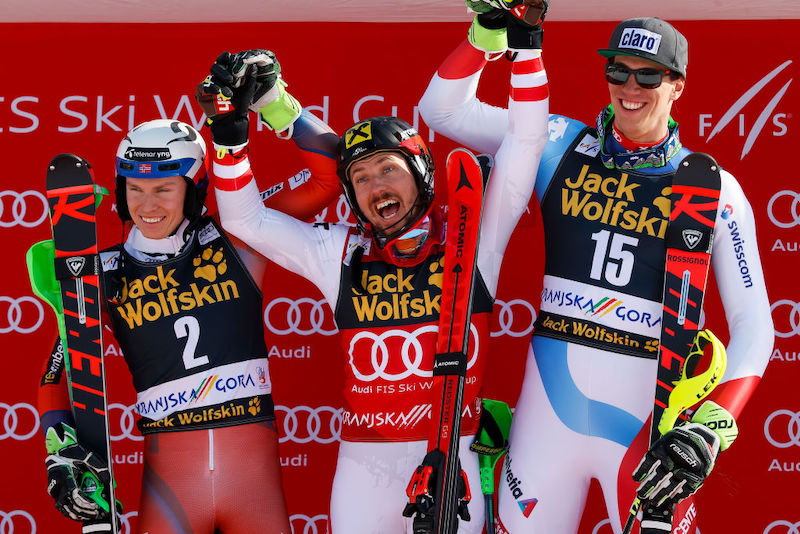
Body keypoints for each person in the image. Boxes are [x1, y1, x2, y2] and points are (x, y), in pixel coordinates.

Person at [419, 8, 774, 534]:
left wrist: (710, 430)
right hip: (547, 416)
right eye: (618, 71)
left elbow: (756, 327)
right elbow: (442, 112)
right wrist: (485, 37)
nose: (630, 87)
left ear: (677, 85)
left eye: (648, 75)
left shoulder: (710, 186)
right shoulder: (558, 141)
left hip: (645, 422)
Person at [196, 33, 549, 533]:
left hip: (453, 458)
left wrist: (525, 46)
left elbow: (527, 141)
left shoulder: (475, 236)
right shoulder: (340, 254)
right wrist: (229, 141)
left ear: (422, 174)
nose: (376, 185)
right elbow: (246, 220)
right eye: (360, 178)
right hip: (362, 472)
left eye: (388, 169)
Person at [37, 87, 341, 532]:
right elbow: (56, 370)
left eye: (164, 188)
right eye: (135, 189)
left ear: (195, 187)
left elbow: (330, 176)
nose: (147, 205)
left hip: (252, 490)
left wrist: (276, 103)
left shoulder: (239, 239)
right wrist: (58, 445)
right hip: (171, 490)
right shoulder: (102, 273)